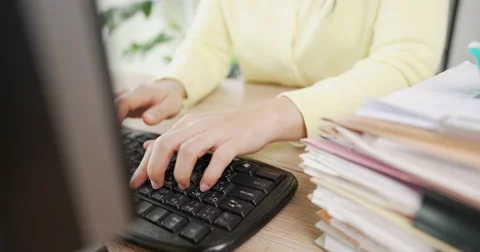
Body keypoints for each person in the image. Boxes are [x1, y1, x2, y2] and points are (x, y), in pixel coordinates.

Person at [118, 0, 448, 192]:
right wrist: (176, 83)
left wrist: (267, 118)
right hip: (263, 149)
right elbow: (209, 44)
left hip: (352, 154)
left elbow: (405, 63)